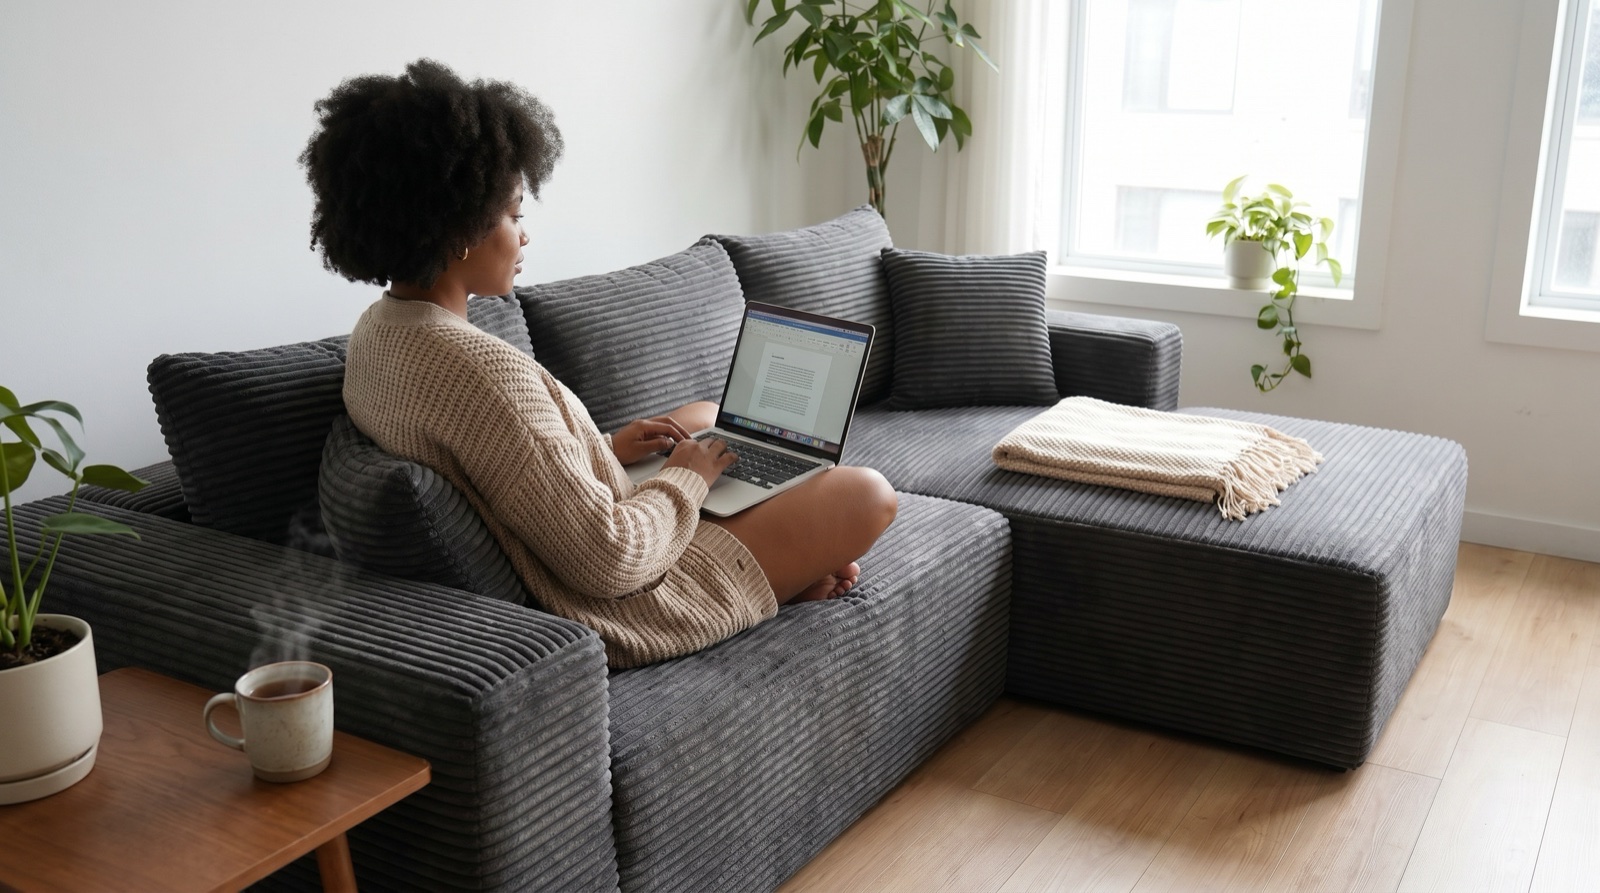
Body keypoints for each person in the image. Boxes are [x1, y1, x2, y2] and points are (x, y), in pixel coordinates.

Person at [299, 60, 897, 669]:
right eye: (514, 214)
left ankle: (789, 550)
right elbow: (610, 560)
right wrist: (686, 478)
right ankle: (787, 574)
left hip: (598, 524)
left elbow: (507, 466)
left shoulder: (380, 331)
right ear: (455, 229)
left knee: (706, 416)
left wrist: (606, 450)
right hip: (634, 597)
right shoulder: (481, 370)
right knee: (868, 494)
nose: (524, 236)